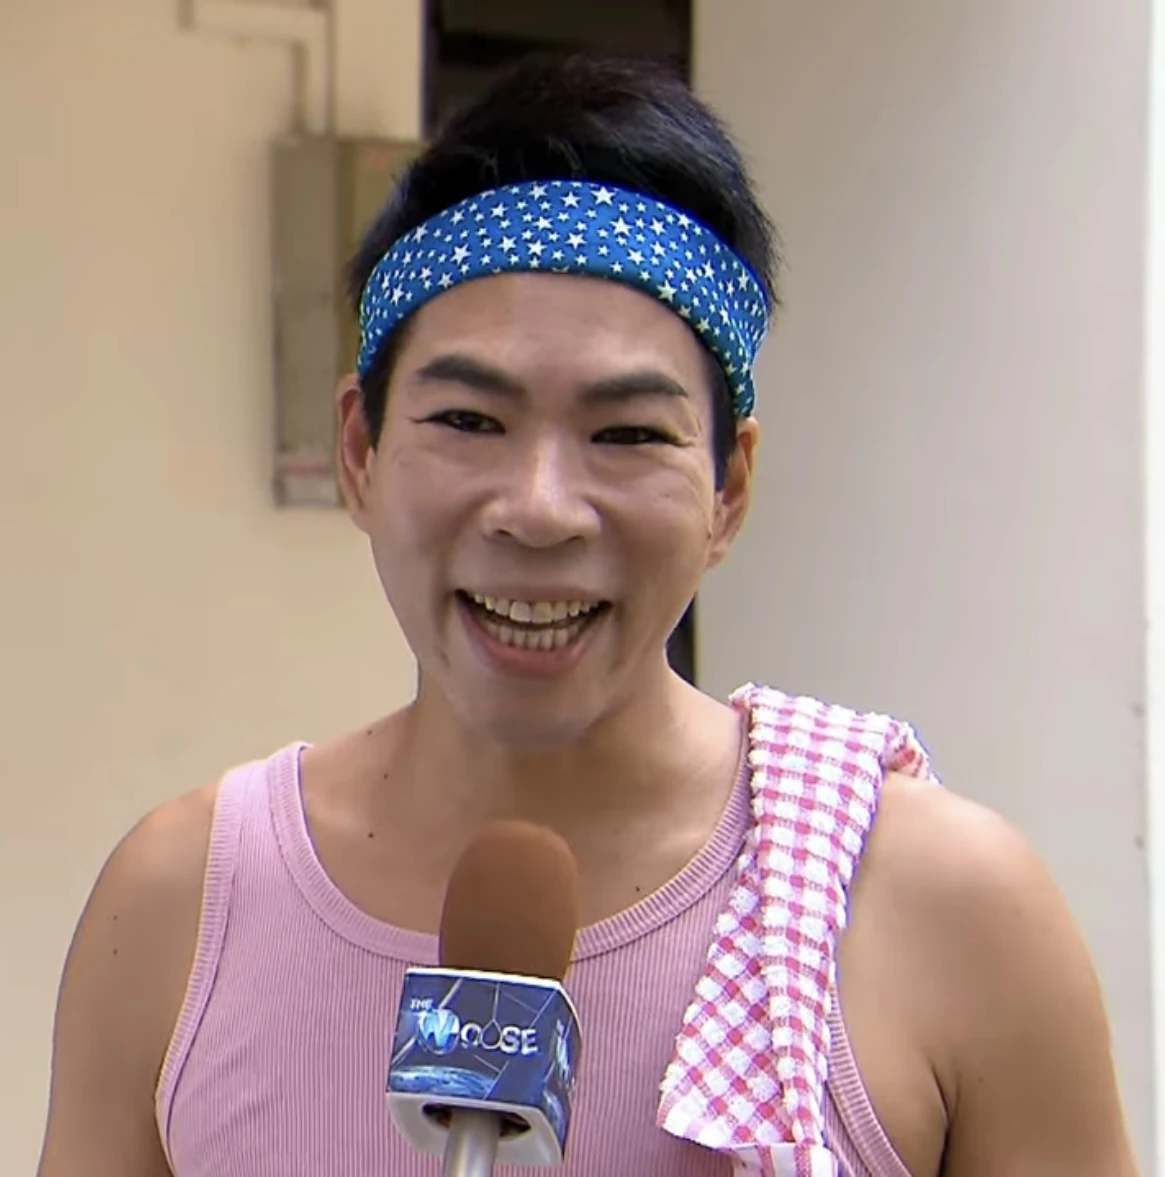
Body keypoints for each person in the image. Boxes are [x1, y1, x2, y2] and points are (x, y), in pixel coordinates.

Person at [36, 53, 1137, 1177]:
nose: (540, 508)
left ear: (729, 488)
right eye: (469, 420)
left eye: (626, 435)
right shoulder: (178, 909)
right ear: (359, 451)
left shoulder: (941, 909)